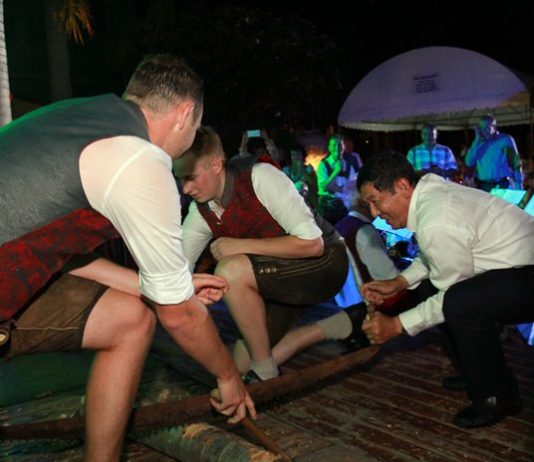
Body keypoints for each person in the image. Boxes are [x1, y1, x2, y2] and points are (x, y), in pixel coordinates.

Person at [0, 54, 255, 461]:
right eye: (197, 125)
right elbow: (179, 316)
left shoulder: (82, 117)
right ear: (185, 114)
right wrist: (228, 375)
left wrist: (164, 286)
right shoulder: (140, 159)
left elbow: (60, 249)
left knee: (130, 319)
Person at [357, 151, 534, 429]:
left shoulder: (436, 218)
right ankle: (476, 371)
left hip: (528, 273)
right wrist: (400, 282)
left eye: (375, 201)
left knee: (460, 302)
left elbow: (450, 291)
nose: (374, 214)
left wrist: (397, 324)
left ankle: (497, 395)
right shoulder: (430, 195)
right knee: (432, 290)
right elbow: (435, 253)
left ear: (402, 186)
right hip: (515, 268)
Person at [175, 126, 350, 381]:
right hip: (281, 279)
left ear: (216, 164)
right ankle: (339, 325)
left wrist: (240, 246)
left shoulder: (261, 177)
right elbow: (176, 270)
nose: (185, 189)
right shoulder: (201, 211)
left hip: (326, 263)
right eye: (180, 179)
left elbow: (313, 244)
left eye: (190, 177)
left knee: (230, 270)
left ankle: (267, 374)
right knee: (240, 364)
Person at [465, 115, 523, 191]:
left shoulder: (505, 140)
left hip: (503, 184)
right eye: (482, 128)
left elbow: (516, 163)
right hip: (484, 185)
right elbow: (468, 162)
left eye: (488, 127)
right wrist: (476, 141)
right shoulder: (478, 143)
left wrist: (519, 184)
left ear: (495, 127)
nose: (485, 131)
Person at [316, 134, 351, 224]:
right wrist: (336, 171)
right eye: (334, 145)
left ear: (343, 147)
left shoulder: (348, 165)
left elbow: (350, 187)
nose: (337, 148)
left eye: (340, 145)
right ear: (329, 148)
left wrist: (336, 188)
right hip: (326, 204)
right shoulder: (323, 165)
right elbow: (323, 187)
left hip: (343, 205)